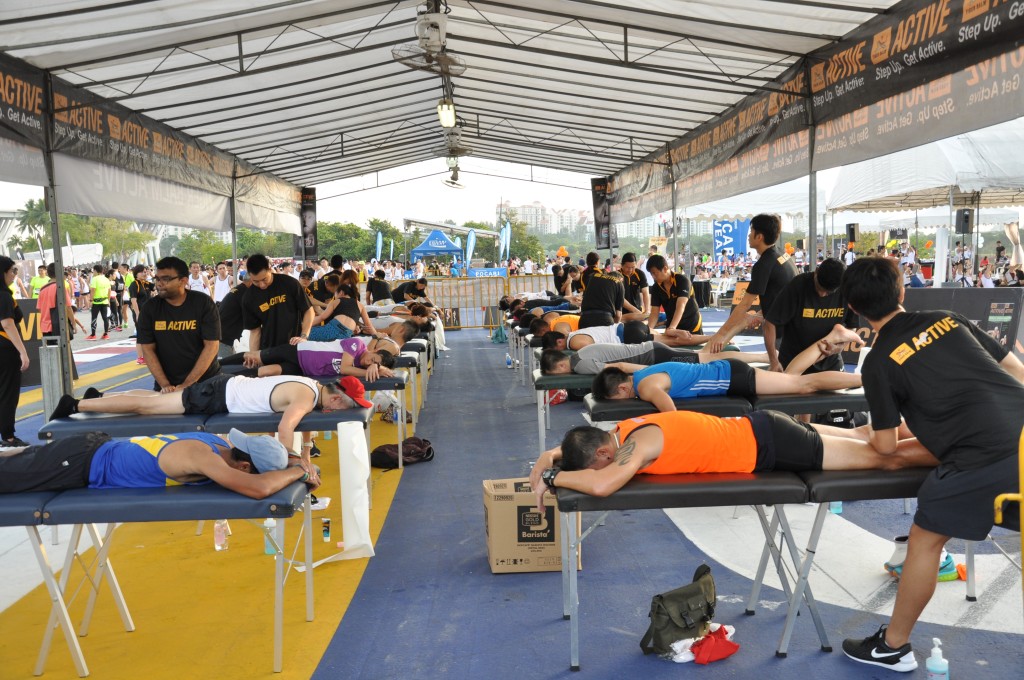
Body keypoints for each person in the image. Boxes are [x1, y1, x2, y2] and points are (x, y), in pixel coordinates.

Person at [838, 256, 1024, 672]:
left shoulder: (881, 361)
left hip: (985, 457)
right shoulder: (948, 317)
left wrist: (875, 432)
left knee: (924, 540)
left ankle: (892, 646)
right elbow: (1014, 369)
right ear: (903, 292)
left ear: (855, 309)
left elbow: (884, 447)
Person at [528, 408, 938, 512]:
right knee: (864, 435)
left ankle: (970, 446)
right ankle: (951, 432)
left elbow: (601, 484)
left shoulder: (639, 444)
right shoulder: (618, 430)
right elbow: (581, 454)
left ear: (605, 453)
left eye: (603, 462)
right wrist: (551, 455)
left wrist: (553, 478)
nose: (611, 467)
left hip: (774, 447)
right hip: (765, 429)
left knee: (886, 459)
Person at [49, 374, 372, 487]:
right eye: (348, 404)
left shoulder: (309, 385)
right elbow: (286, 427)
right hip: (217, 397)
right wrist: (292, 461)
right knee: (149, 408)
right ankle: (76, 406)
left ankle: (99, 399)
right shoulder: (307, 396)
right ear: (336, 397)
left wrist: (303, 450)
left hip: (224, 390)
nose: (345, 409)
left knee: (160, 400)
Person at [592, 324, 863, 412]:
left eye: (613, 398)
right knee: (794, 379)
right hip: (729, 372)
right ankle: (828, 341)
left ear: (621, 387)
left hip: (733, 378)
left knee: (805, 384)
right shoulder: (638, 374)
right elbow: (620, 364)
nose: (616, 403)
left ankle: (864, 378)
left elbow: (671, 416)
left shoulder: (646, 386)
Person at [0, 429, 317, 497]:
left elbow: (264, 461)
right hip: (77, 463)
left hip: (89, 447)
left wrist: (293, 460)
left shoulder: (222, 444)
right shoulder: (202, 457)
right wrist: (299, 470)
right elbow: (259, 488)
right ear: (244, 467)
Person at [704, 214, 797, 354]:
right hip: (789, 318)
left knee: (780, 369)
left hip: (784, 331)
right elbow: (785, 290)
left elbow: (744, 305)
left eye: (751, 231)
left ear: (759, 236)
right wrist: (762, 313)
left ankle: (713, 344)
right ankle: (712, 346)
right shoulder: (781, 254)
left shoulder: (764, 264)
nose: (748, 236)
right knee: (747, 318)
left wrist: (720, 334)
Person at [136, 256, 222, 393]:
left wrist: (187, 384)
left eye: (165, 279)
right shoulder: (150, 308)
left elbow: (211, 346)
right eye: (157, 279)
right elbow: (147, 348)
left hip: (207, 382)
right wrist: (165, 385)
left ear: (183, 281)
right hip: (166, 387)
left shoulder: (203, 303)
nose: (159, 284)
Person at [763, 257, 856, 375]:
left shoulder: (847, 291)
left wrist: (840, 347)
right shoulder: (797, 286)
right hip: (794, 361)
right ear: (816, 271)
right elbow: (770, 323)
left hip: (830, 363)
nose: (822, 294)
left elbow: (852, 326)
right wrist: (774, 362)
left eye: (828, 292)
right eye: (819, 287)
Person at [222, 336, 400, 381]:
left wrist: (377, 369)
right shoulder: (357, 344)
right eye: (373, 359)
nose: (369, 362)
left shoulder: (367, 367)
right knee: (254, 356)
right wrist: (369, 369)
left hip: (303, 369)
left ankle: (224, 379)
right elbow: (345, 368)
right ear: (374, 350)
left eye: (373, 365)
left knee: (266, 372)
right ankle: (218, 364)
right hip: (299, 351)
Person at [540, 341, 770, 375]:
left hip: (652, 356)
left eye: (556, 373)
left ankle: (761, 356)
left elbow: (619, 366)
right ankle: (761, 356)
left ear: (561, 364)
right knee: (705, 356)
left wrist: (647, 372)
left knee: (707, 359)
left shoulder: (580, 365)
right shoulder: (580, 352)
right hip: (652, 349)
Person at [242, 253, 314, 355]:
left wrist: (304, 336)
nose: (262, 285)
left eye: (264, 279)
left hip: (294, 346)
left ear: (269, 269)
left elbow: (308, 310)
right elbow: (255, 332)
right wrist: (254, 355)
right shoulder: (249, 298)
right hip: (268, 350)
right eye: (256, 281)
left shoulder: (290, 283)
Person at [0, 257, 30, 447]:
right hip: (5, 350)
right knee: (8, 394)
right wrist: (23, 352)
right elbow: (8, 324)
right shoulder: (3, 295)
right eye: (12, 270)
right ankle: (8, 437)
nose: (14, 274)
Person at [645, 254, 702, 334]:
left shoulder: (682, 281)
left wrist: (672, 328)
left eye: (655, 273)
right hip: (672, 325)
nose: (653, 277)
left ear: (665, 269)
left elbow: (681, 306)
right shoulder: (656, 287)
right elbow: (654, 313)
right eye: (651, 274)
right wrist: (648, 330)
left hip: (691, 325)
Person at [618, 253, 650, 322]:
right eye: (627, 267)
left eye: (633, 267)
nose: (630, 270)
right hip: (621, 313)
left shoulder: (640, 274)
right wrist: (635, 310)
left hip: (637, 310)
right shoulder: (617, 276)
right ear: (621, 265)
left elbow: (645, 292)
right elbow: (619, 297)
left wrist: (647, 310)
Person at [87, 263, 111, 340]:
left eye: (93, 271)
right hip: (105, 301)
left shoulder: (95, 279)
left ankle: (93, 335)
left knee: (94, 317)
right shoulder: (106, 279)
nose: (93, 272)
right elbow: (109, 290)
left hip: (96, 302)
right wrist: (108, 300)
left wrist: (91, 300)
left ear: (96, 271)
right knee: (105, 318)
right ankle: (106, 334)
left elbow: (93, 290)